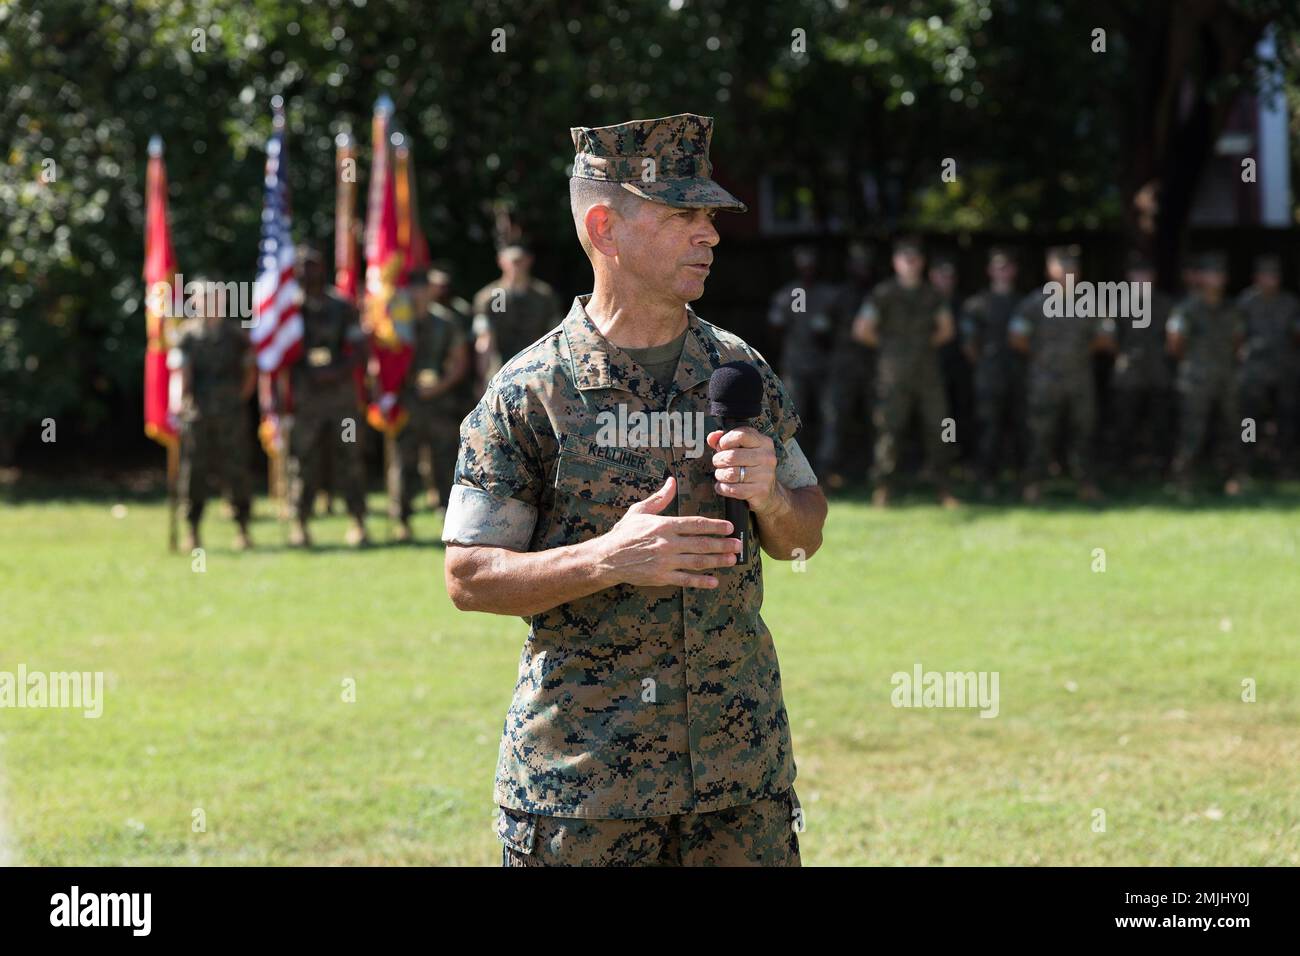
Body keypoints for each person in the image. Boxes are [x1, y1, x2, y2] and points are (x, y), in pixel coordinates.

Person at [442, 113, 827, 867]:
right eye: (683, 215)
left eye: (710, 217)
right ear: (605, 228)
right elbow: (467, 576)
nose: (709, 235)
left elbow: (805, 535)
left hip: (738, 783)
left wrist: (774, 501)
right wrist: (608, 559)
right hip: (586, 797)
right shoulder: (532, 393)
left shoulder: (738, 370)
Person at [853, 236, 958, 507]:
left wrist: (919, 347)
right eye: (905, 259)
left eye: (915, 260)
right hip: (892, 377)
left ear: (921, 263)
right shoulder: (883, 293)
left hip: (928, 376)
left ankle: (944, 489)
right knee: (889, 432)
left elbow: (947, 330)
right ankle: (883, 488)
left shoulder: (932, 294)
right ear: (896, 262)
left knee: (940, 430)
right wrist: (892, 349)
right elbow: (862, 330)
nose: (910, 265)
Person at [1012, 245, 1114, 503]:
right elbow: (1016, 338)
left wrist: (1077, 353)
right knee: (1040, 434)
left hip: (1080, 379)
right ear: (1049, 269)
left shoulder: (1090, 303)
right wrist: (1043, 357)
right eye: (1061, 265)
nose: (1066, 271)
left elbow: (1106, 339)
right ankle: (1033, 485)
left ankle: (1087, 485)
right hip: (1044, 380)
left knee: (1083, 432)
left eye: (1071, 266)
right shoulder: (1034, 303)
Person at [286, 246, 370, 547]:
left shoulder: (341, 306)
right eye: (301, 266)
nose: (307, 271)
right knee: (303, 461)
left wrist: (336, 371)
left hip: (341, 400)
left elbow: (360, 348)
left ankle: (357, 521)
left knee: (349, 458)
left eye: (312, 265)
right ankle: (300, 523)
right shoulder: (288, 309)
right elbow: (280, 353)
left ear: (323, 268)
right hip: (306, 400)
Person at [171, 278, 257, 551]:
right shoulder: (187, 335)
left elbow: (250, 374)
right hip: (198, 415)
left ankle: (243, 528)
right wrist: (178, 403)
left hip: (231, 415)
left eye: (216, 299)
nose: (211, 304)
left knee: (236, 471)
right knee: (194, 473)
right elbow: (180, 375)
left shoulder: (237, 335)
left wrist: (235, 399)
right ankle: (193, 531)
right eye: (205, 299)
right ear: (195, 303)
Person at [389, 269, 471, 539]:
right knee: (403, 462)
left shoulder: (445, 321)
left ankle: (449, 520)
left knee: (445, 462)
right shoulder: (397, 322)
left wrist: (441, 385)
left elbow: (459, 360)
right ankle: (401, 520)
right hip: (406, 402)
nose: (418, 294)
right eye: (413, 289)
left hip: (440, 403)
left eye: (423, 288)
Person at [1167, 250, 1246, 499]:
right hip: (1196, 380)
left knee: (1238, 428)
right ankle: (1183, 481)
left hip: (1227, 378)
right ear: (1200, 277)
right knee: (1192, 432)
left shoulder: (1232, 308)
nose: (1216, 279)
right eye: (1211, 273)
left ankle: (1235, 478)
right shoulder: (1187, 309)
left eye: (1220, 274)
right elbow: (1174, 345)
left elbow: (1238, 341)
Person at [959, 247, 1026, 498]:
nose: (1003, 272)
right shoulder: (976, 304)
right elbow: (968, 345)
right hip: (989, 376)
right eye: (998, 267)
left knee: (1021, 428)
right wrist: (986, 367)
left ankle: (1023, 481)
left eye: (1007, 266)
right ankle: (987, 481)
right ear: (989, 270)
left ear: (1014, 270)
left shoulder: (1024, 302)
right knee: (989, 429)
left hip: (1018, 375)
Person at [766, 245, 838, 468]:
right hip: (795, 365)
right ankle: (795, 466)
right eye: (803, 264)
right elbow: (774, 331)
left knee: (831, 416)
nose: (807, 269)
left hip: (825, 366)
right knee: (792, 417)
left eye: (811, 264)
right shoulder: (785, 295)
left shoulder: (829, 295)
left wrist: (826, 335)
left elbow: (843, 333)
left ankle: (827, 465)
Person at [1110, 252, 1175, 479]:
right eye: (1138, 274)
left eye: (1147, 274)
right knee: (1125, 424)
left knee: (1161, 424)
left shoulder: (1166, 304)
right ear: (1129, 276)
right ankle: (1122, 470)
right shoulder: (1117, 305)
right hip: (1128, 374)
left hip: (1158, 372)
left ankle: (1162, 469)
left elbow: (1175, 339)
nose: (1143, 278)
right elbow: (1109, 340)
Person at [1235, 254, 1300, 479]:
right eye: (1265, 275)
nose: (1270, 280)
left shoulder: (1290, 302)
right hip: (1253, 372)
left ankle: (1286, 466)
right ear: (1256, 278)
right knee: (1249, 420)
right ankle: (1244, 466)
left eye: (1274, 276)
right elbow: (1236, 336)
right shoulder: (1245, 302)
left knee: (1287, 420)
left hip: (1285, 370)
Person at [819, 242, 877, 487]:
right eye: (857, 263)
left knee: (876, 421)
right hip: (842, 366)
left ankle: (874, 474)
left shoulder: (877, 294)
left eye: (865, 263)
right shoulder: (838, 295)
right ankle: (825, 474)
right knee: (835, 420)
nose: (861, 268)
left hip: (873, 366)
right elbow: (822, 332)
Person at [471, 244, 561, 383]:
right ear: (501, 262)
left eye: (520, 260)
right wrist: (482, 378)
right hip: (501, 367)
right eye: (512, 261)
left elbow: (555, 334)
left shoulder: (543, 296)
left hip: (537, 364)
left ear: (529, 260)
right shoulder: (495, 296)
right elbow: (485, 338)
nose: (516, 266)